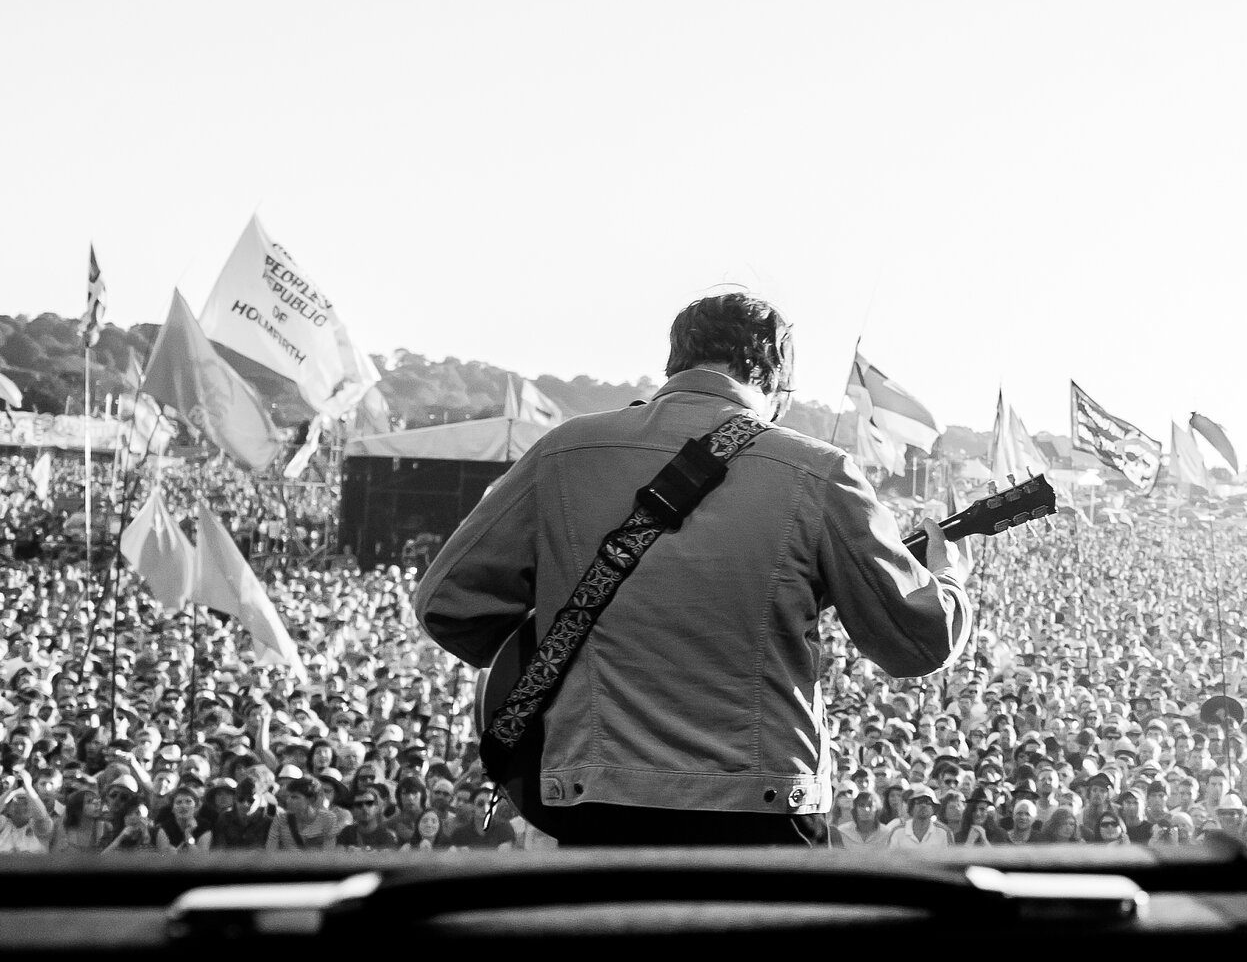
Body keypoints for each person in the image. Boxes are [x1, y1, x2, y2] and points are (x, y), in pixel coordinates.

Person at [415, 290, 974, 847]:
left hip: (597, 801)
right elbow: (917, 643)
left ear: (675, 360)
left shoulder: (563, 453)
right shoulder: (820, 471)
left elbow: (445, 602)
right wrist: (949, 580)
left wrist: (560, 646)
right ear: (776, 376)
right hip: (759, 807)